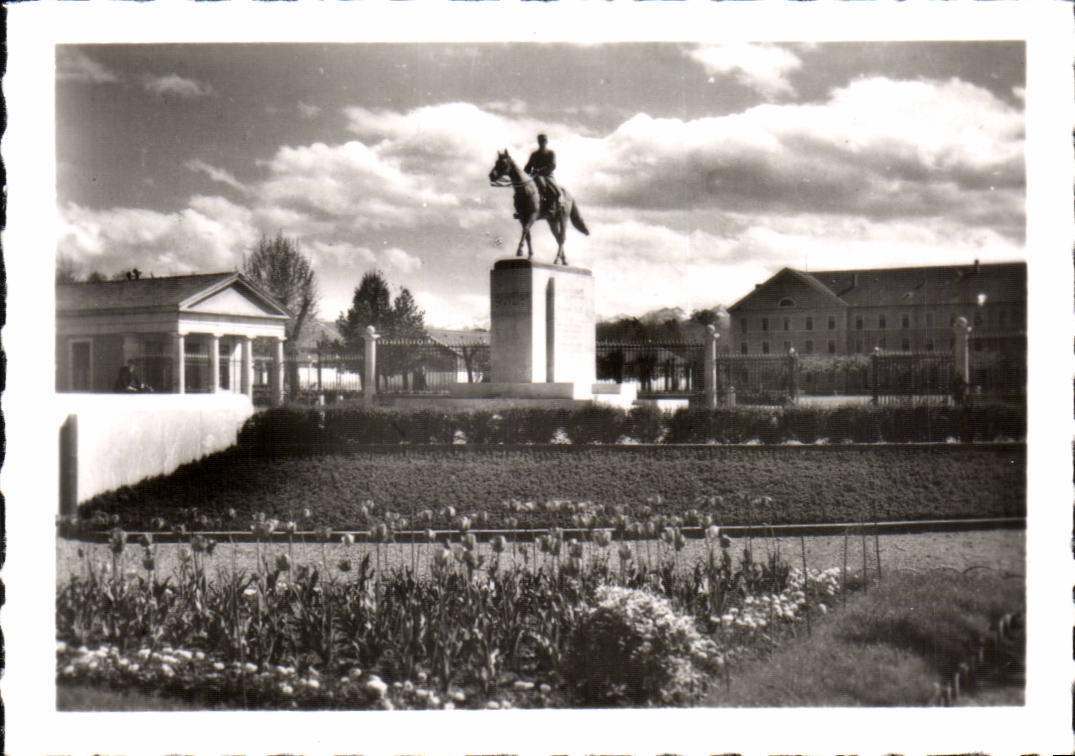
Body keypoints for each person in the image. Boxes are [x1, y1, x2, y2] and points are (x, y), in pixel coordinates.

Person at [524, 133, 561, 212]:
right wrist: (524, 174)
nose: (542, 142)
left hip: (547, 176)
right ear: (538, 142)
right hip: (534, 176)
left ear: (546, 142)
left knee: (556, 191)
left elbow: (553, 165)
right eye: (540, 141)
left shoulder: (551, 153)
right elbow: (528, 167)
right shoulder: (534, 155)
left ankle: (551, 206)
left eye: (543, 141)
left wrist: (540, 170)